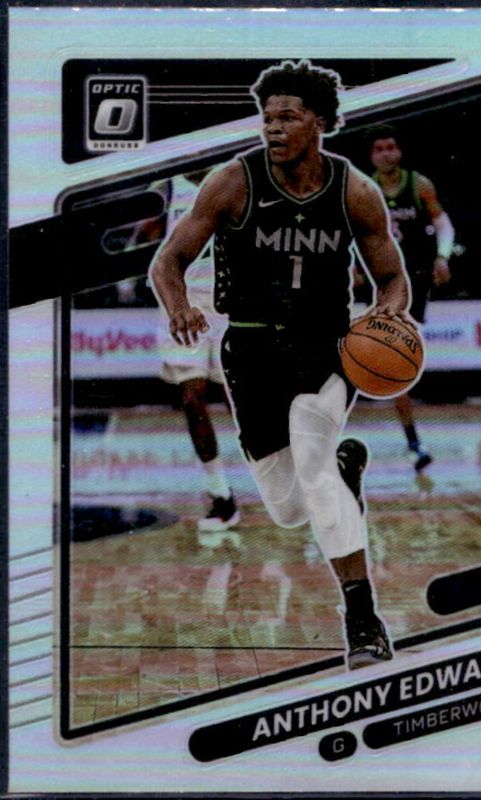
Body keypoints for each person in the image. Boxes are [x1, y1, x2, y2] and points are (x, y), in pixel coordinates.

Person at [149, 60, 414, 670]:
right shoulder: (232, 182)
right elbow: (168, 260)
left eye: (288, 117)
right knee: (290, 510)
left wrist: (389, 313)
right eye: (267, 117)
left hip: (324, 349)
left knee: (314, 470)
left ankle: (363, 620)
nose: (273, 127)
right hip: (249, 353)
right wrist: (179, 305)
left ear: (319, 122)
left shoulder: (353, 189)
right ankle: (344, 473)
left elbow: (392, 275)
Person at [147, 173, 240, 531]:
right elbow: (147, 232)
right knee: (192, 395)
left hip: (230, 300)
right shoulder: (167, 184)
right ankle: (220, 494)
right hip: (183, 299)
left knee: (242, 401)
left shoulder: (234, 176)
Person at [369, 124, 455, 471]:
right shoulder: (365, 189)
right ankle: (414, 442)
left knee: (398, 360)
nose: (386, 153)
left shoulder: (419, 185)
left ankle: (413, 440)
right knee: (394, 359)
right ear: (372, 156)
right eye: (379, 149)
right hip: (383, 281)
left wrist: (443, 256)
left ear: (400, 152)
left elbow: (443, 223)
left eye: (391, 147)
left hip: (416, 279)